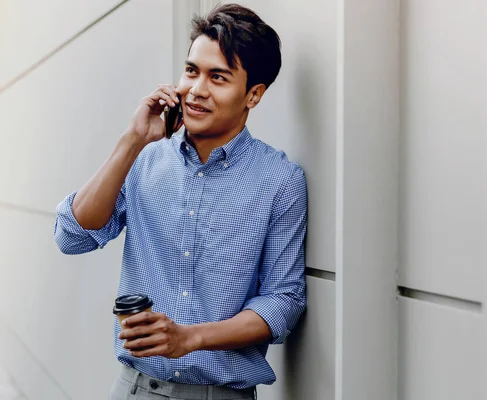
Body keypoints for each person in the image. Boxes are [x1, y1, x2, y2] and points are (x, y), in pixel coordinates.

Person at [53, 4, 307, 399]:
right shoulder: (144, 157)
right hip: (135, 389)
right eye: (192, 71)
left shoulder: (280, 181)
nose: (196, 90)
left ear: (253, 94)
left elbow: (283, 302)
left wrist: (188, 338)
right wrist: (133, 140)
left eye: (218, 77)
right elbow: (72, 237)